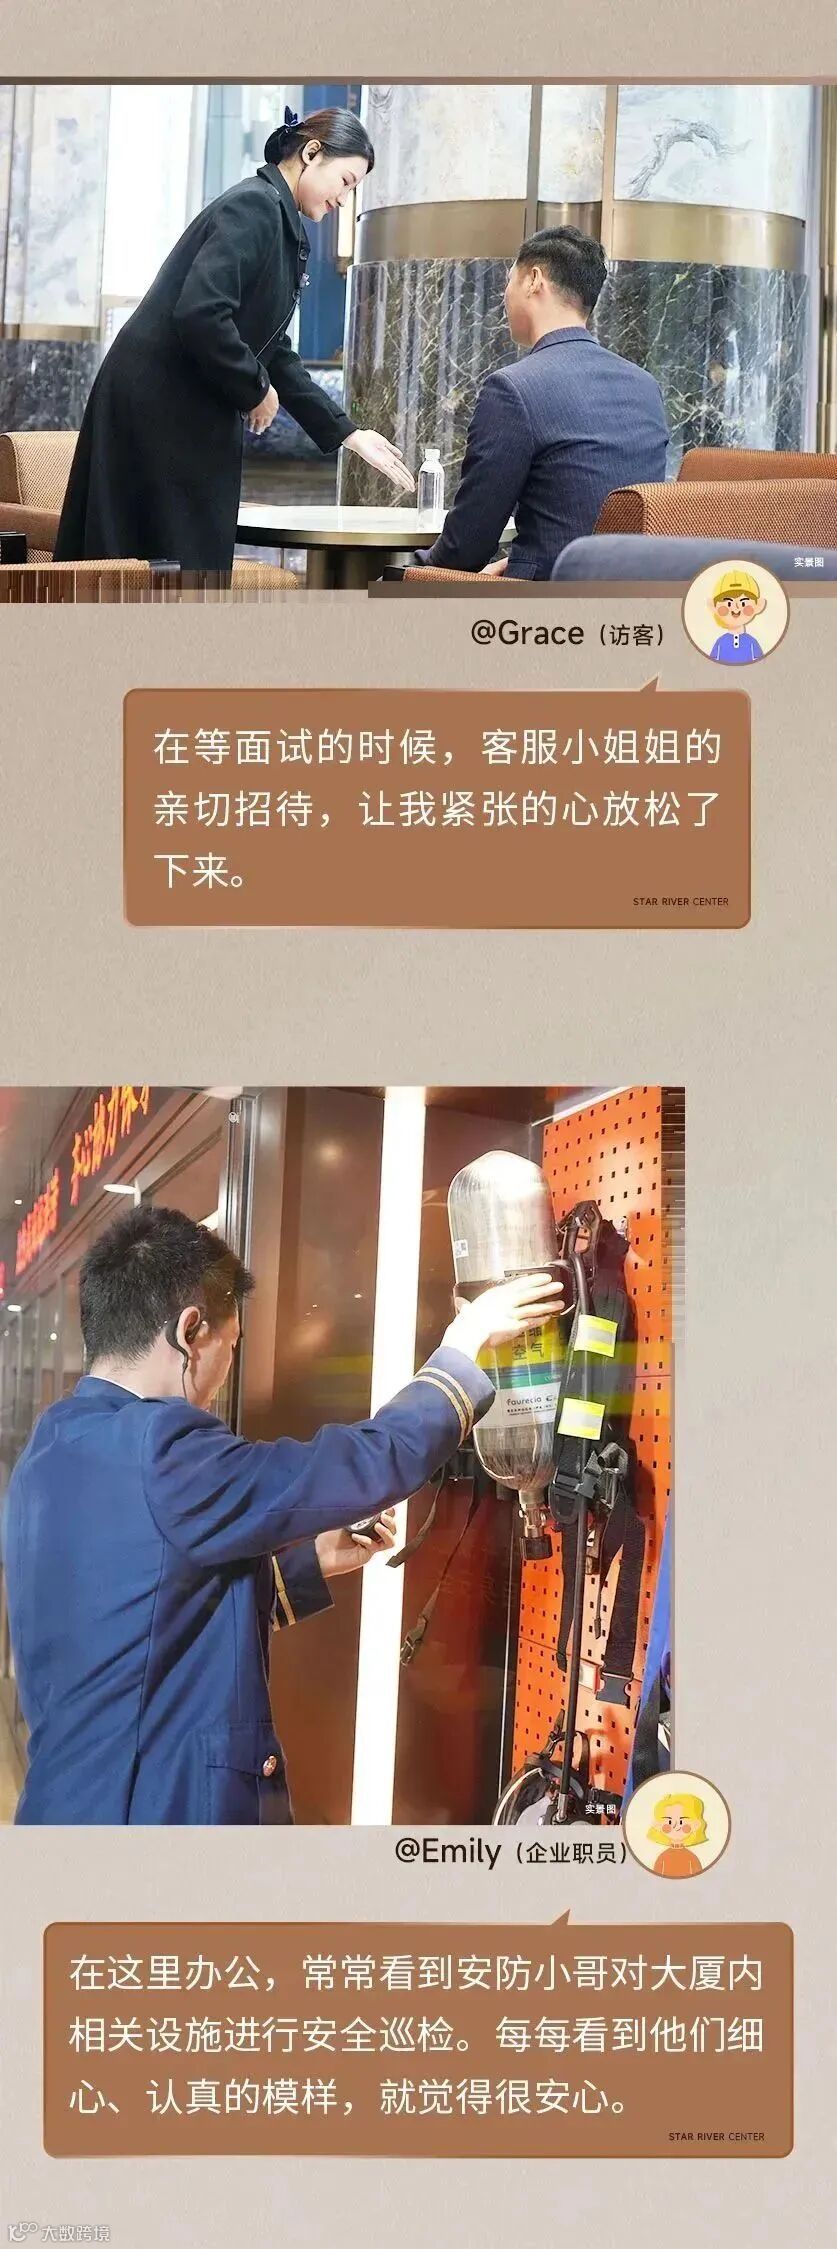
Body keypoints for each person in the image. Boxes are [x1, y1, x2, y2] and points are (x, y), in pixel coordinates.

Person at [4, 1205, 563, 1826]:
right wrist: (462, 1347)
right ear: (189, 1332)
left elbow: (146, 1610)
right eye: (231, 1345)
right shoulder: (161, 1448)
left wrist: (306, 1563)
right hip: (154, 1821)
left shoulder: (52, 1447)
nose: (224, 1373)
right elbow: (367, 1461)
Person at [53, 106, 413, 572]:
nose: (344, 200)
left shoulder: (278, 218)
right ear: (311, 153)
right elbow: (201, 311)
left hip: (182, 403)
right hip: (158, 404)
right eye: (345, 182)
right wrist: (255, 388)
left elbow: (274, 348)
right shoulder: (255, 206)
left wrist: (348, 433)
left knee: (181, 562)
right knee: (155, 563)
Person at [414, 226, 669, 579]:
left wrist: (406, 573)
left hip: (541, 604)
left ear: (534, 280)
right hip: (625, 595)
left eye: (508, 281)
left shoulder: (513, 389)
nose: (504, 295)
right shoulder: (645, 386)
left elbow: (466, 547)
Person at [708, 567, 766, 662]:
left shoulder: (751, 642)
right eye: (728, 603)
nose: (735, 609)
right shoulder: (720, 642)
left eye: (743, 603)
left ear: (758, 606)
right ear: (713, 607)